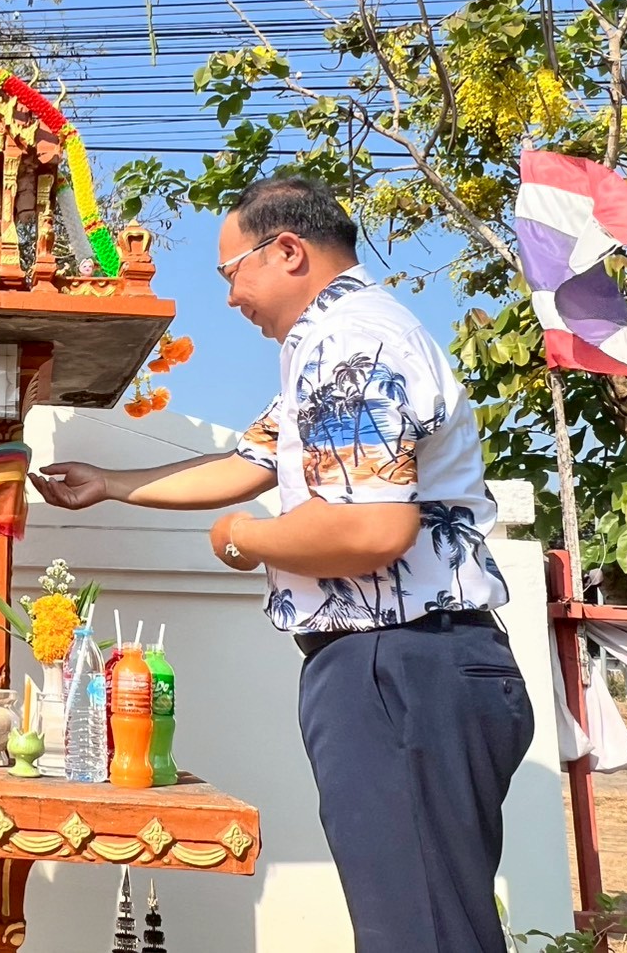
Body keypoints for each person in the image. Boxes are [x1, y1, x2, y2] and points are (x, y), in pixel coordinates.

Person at [32, 176, 535, 953]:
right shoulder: (333, 343)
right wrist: (110, 487)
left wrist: (241, 539)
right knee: (422, 919)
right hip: (409, 662)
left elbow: (370, 530)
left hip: (397, 662)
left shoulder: (350, 344)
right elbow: (249, 459)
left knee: (418, 932)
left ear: (288, 250)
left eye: (232, 273)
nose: (231, 299)